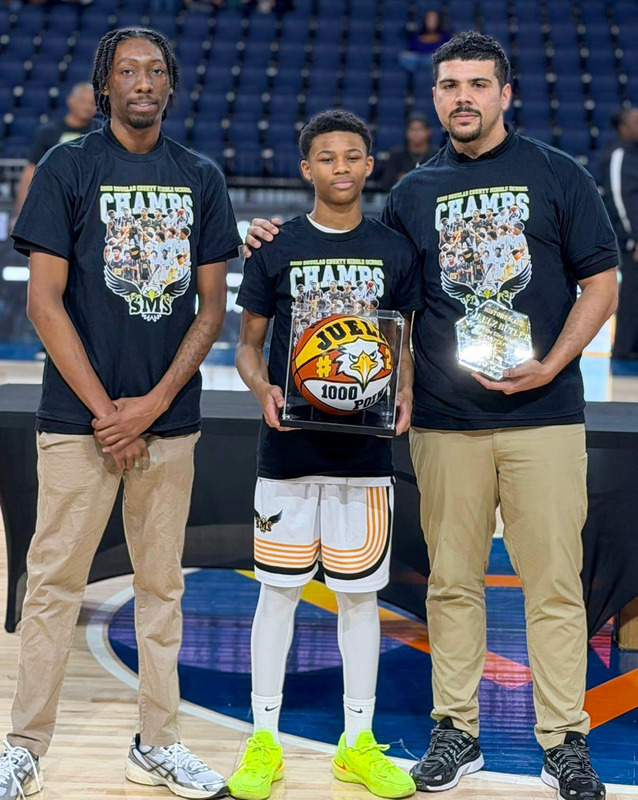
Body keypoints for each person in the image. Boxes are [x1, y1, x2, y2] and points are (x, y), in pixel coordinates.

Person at [244, 31, 619, 800]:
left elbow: (603, 281)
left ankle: (564, 739)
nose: (462, 97)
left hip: (544, 414)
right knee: (451, 582)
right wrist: (270, 235)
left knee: (553, 582)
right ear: (436, 96)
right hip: (444, 422)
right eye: (449, 85)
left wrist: (553, 363)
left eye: (478, 84)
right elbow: (375, 280)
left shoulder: (558, 173)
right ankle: (458, 729)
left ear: (505, 94)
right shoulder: (413, 192)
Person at [3, 27, 241, 800]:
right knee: (52, 586)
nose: (143, 82)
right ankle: (24, 747)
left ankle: (158, 745)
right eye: (128, 71)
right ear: (105, 84)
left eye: (156, 71)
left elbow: (210, 311)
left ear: (172, 86)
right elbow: (44, 302)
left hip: (168, 422)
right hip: (79, 422)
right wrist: (110, 411)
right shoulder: (67, 168)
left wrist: (154, 404)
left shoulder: (199, 176)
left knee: (162, 588)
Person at [231, 109, 424, 800]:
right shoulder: (274, 246)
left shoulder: (395, 251)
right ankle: (263, 742)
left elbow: (404, 345)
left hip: (364, 453)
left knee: (359, 598)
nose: (341, 168)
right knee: (278, 595)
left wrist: (402, 392)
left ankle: (357, 742)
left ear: (370, 165)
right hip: (288, 446)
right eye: (327, 158)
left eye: (353, 156)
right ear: (306, 168)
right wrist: (260, 389)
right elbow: (247, 344)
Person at [11, 83, 99, 228]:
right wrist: (19, 214)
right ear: (70, 100)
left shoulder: (101, 131)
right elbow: (30, 173)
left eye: (92, 103)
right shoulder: (48, 132)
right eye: (82, 100)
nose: (87, 106)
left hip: (90, 206)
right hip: (53, 204)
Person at [596, 106, 638, 360]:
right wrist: (635, 237)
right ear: (623, 126)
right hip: (629, 242)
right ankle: (624, 351)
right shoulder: (619, 153)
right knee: (632, 295)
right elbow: (620, 200)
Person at [380, 113, 439, 191]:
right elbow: (387, 183)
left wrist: (407, 178)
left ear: (428, 132)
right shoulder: (396, 154)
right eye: (412, 129)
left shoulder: (437, 154)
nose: (416, 133)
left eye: (420, 129)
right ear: (406, 132)